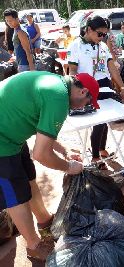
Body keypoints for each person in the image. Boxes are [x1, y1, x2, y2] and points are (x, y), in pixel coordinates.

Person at [0, 71, 99, 261]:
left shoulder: (56, 85)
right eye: (88, 102)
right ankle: (34, 245)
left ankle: (44, 221)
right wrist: (69, 167)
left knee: (29, 180)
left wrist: (65, 151)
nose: (84, 107)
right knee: (15, 196)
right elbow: (41, 154)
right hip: (2, 142)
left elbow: (43, 133)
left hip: (11, 136)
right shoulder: (59, 98)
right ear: (83, 91)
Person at [68, 15, 124, 170]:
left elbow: (112, 68)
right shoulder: (76, 46)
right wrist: (74, 92)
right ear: (88, 30)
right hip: (87, 87)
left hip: (105, 85)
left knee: (105, 120)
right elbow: (72, 71)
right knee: (98, 121)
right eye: (99, 34)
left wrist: (121, 87)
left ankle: (101, 148)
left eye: (105, 34)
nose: (102, 37)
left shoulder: (102, 46)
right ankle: (95, 156)